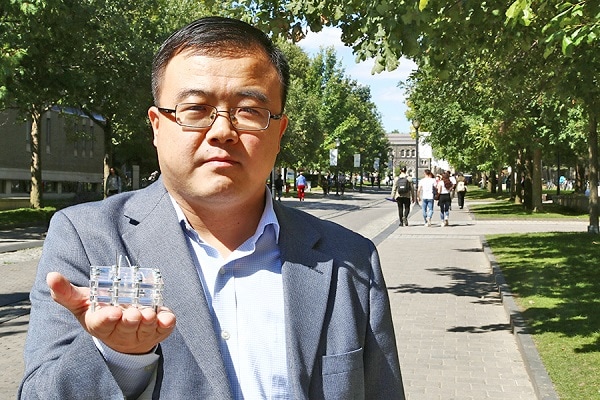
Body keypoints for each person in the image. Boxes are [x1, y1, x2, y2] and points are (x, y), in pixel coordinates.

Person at [19, 16, 404, 400]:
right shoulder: (86, 238)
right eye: (196, 109)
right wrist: (118, 353)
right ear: (157, 125)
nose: (222, 131)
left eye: (249, 111)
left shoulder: (350, 260)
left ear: (279, 131)